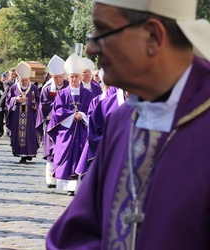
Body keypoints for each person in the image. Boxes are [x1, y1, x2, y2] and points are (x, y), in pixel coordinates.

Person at [46, 0, 210, 249]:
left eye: (103, 31)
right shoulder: (122, 120)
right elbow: (77, 231)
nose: (91, 48)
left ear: (153, 36)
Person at [47, 53, 94, 196]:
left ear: (81, 77)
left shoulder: (88, 93)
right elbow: (57, 111)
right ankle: (69, 186)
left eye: (76, 76)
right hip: (66, 131)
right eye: (71, 77)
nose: (74, 79)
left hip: (82, 130)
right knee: (66, 157)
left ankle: (79, 185)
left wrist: (83, 115)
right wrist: (73, 115)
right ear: (68, 78)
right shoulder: (62, 93)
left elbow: (92, 109)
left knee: (80, 156)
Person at [36, 55, 69, 189]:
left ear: (64, 75)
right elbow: (43, 106)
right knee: (51, 150)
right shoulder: (47, 89)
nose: (58, 79)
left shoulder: (69, 86)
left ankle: (62, 177)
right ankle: (51, 179)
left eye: (60, 76)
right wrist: (57, 104)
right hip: (51, 123)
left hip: (67, 123)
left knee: (64, 150)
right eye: (55, 77)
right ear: (51, 76)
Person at [6, 61, 40, 163]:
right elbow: (8, 100)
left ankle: (29, 153)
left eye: (26, 80)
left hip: (30, 116)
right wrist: (15, 99)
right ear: (19, 78)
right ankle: (21, 155)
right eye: (22, 80)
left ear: (29, 78)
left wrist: (36, 106)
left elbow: (39, 100)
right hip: (17, 116)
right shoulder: (14, 87)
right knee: (18, 134)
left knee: (30, 134)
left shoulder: (33, 87)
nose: (24, 82)